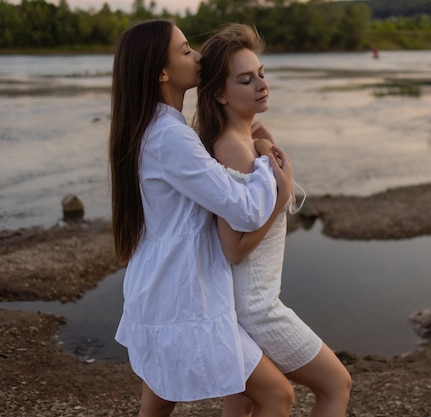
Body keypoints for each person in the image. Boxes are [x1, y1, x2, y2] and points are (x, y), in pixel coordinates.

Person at [109, 19, 296, 417]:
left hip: (161, 291)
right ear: (162, 72)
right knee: (277, 396)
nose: (197, 57)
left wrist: (249, 140)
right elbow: (244, 209)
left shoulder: (156, 129)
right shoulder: (170, 137)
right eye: (185, 51)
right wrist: (269, 167)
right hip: (183, 298)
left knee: (157, 406)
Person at [195, 23, 352, 417]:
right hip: (256, 307)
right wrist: (281, 197)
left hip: (240, 304)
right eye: (245, 80)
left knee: (244, 405)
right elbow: (233, 249)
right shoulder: (234, 149)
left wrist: (261, 136)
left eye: (261, 73)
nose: (261, 84)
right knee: (336, 385)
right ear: (219, 93)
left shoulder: (241, 141)